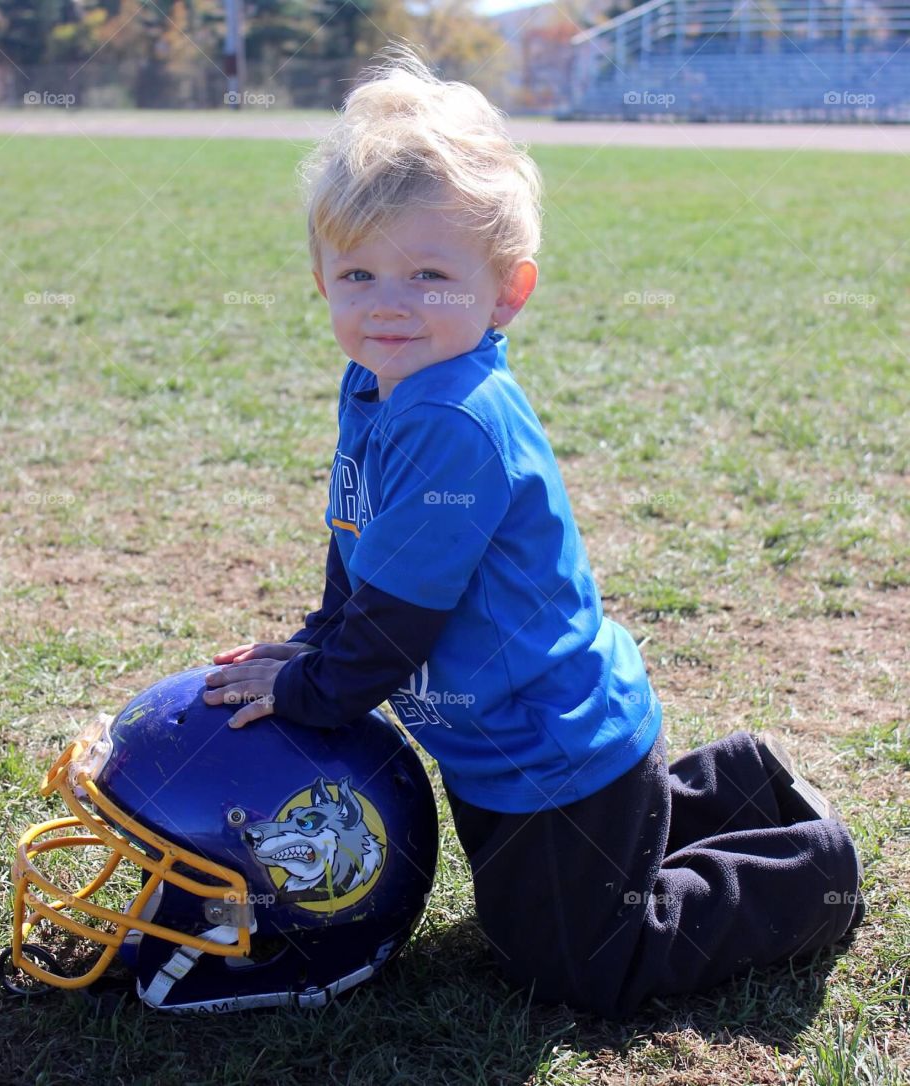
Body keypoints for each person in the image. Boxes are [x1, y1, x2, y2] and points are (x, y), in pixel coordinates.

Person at [202, 42, 863, 1018]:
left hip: (550, 748)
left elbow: (394, 631)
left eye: (430, 273)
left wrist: (309, 688)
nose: (389, 303)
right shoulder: (380, 385)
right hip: (504, 737)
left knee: (581, 965)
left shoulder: (450, 422)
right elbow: (360, 557)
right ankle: (734, 785)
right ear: (321, 279)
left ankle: (808, 869)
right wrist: (309, 640)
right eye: (359, 273)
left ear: (506, 290)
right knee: (547, 911)